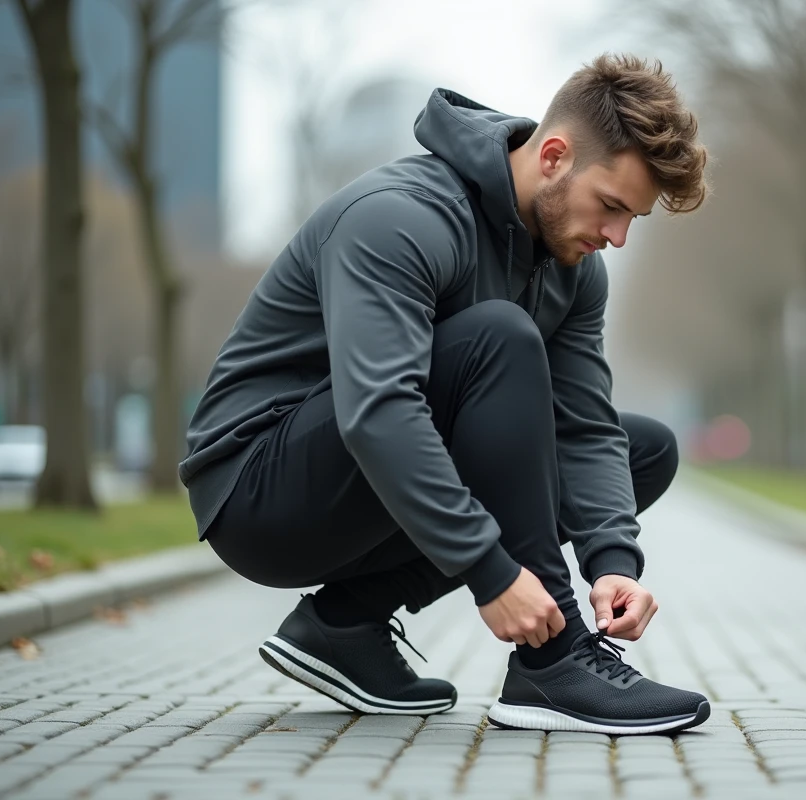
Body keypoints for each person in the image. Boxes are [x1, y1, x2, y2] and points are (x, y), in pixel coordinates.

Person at [180, 53, 710, 735]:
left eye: (632, 219)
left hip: (366, 478)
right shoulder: (401, 217)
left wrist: (613, 562)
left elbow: (583, 429)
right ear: (552, 155)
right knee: (499, 338)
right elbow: (380, 411)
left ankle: (345, 624)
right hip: (258, 490)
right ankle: (551, 664)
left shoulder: (574, 272)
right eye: (611, 206)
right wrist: (490, 571)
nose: (616, 236)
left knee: (645, 451)